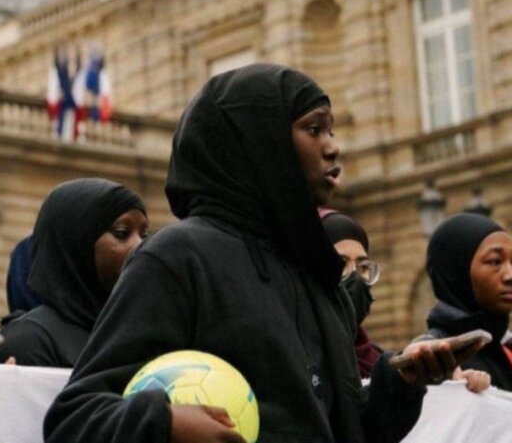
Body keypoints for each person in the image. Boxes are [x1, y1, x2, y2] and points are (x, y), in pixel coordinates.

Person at [43, 64, 485, 443]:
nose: (333, 146)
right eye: (313, 129)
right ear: (259, 141)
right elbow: (74, 418)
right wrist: (164, 422)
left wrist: (400, 384)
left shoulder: (319, 275)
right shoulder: (178, 256)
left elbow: (340, 431)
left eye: (331, 130)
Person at [0, 178, 148, 367]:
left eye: (144, 235)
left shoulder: (140, 336)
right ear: (79, 245)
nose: (141, 246)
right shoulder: (29, 342)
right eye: (122, 232)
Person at [420, 213, 512, 390]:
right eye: (495, 262)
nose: (510, 275)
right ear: (456, 272)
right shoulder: (432, 358)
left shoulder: (505, 346)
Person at [319, 209, 382, 377]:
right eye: (341, 263)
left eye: (363, 266)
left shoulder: (380, 364)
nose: (355, 276)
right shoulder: (298, 359)